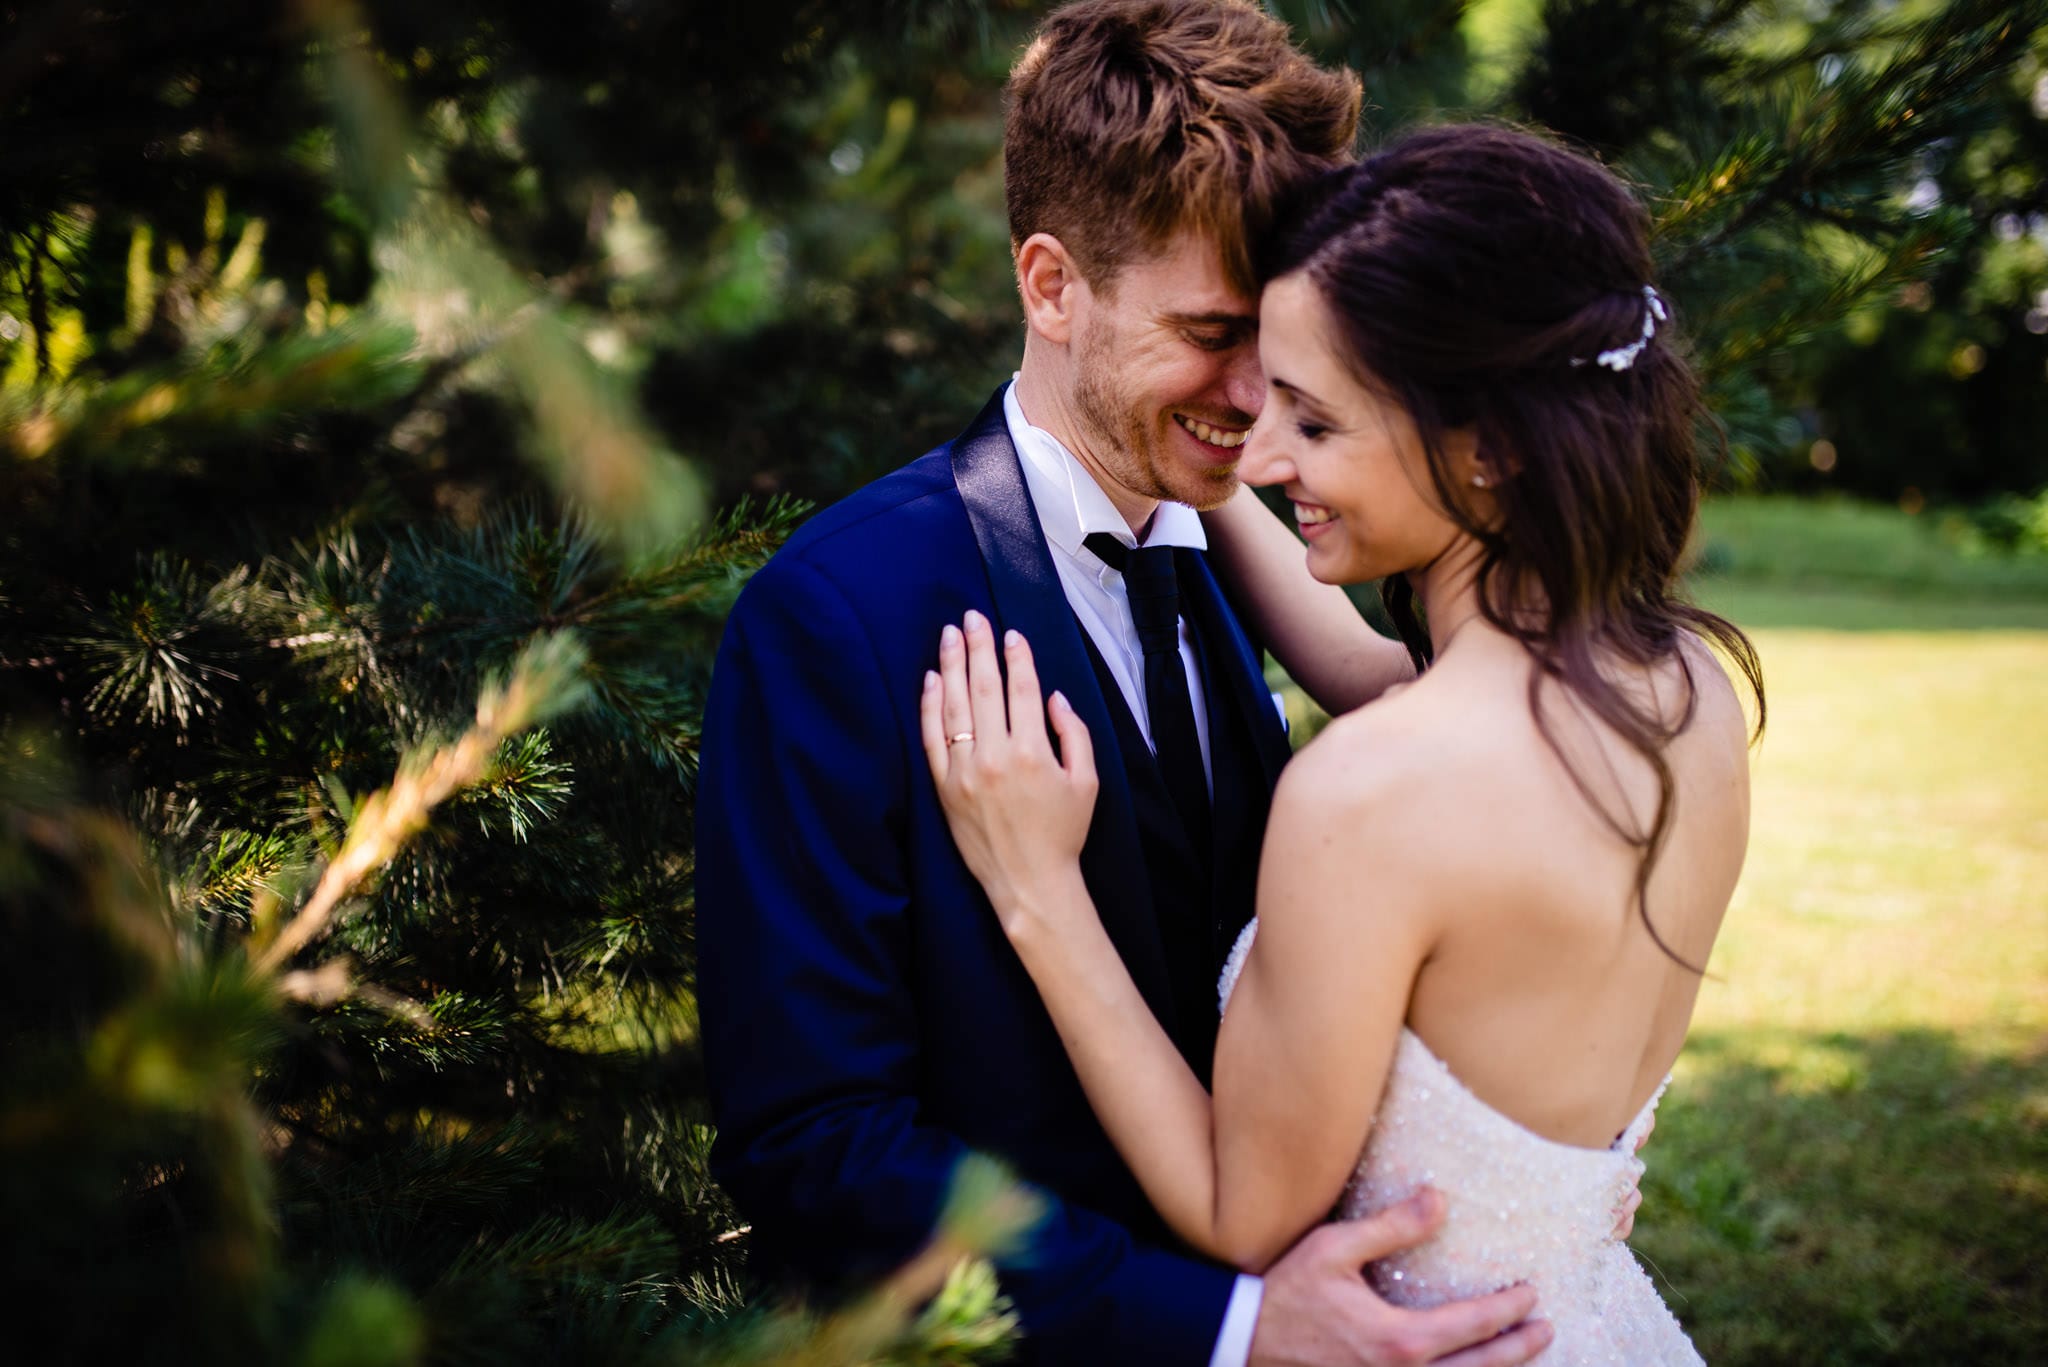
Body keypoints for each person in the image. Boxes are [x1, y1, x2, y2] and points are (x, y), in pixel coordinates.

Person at [695, 3, 1577, 1363]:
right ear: (1051, 286)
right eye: (1211, 331)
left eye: (1280, 340)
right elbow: (816, 1143)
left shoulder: (1243, 539)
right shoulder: (839, 616)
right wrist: (1225, 1326)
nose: (1258, 397)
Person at [919, 122, 1765, 1364]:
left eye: (1310, 424)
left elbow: (1235, 1207)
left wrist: (1039, 889)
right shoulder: (1685, 686)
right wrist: (1172, 465)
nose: (1260, 452)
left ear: (1484, 450)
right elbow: (1376, 672)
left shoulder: (1366, 795)